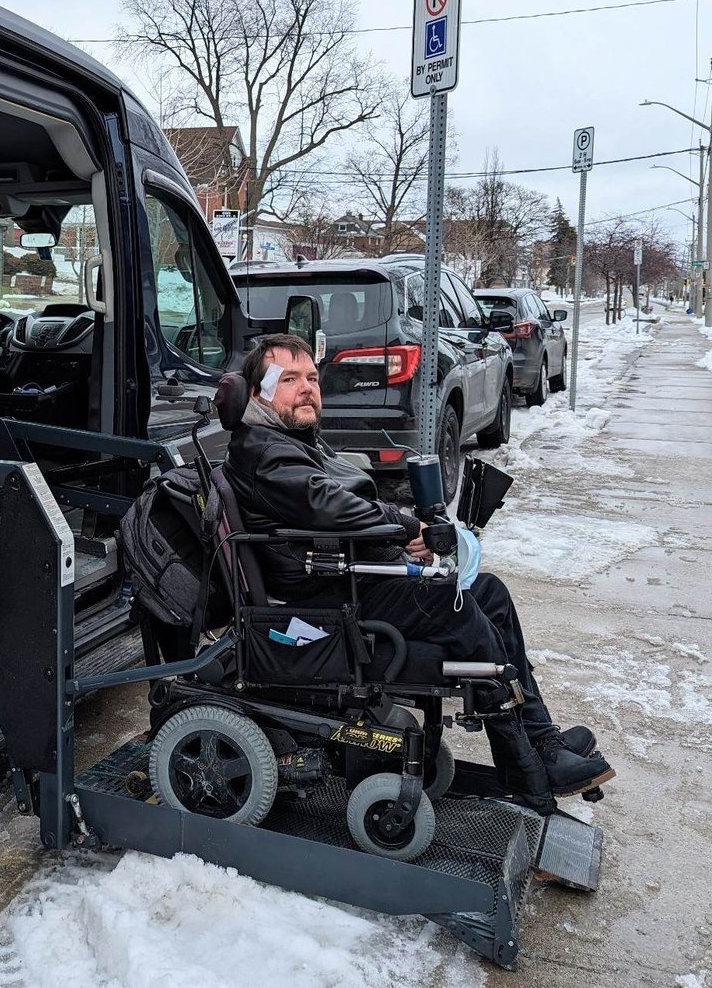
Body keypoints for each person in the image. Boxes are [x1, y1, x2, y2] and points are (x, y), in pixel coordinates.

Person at [223, 333, 614, 807]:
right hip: (324, 599)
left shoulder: (291, 437)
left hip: (350, 575)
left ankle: (539, 735)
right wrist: (409, 528)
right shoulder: (264, 450)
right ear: (259, 391)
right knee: (456, 608)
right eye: (289, 379)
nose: (307, 388)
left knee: (489, 594)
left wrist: (402, 531)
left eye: (311, 377)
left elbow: (343, 499)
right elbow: (326, 506)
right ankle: (524, 765)